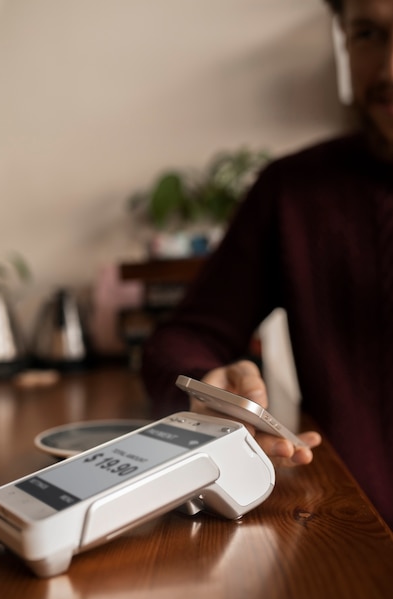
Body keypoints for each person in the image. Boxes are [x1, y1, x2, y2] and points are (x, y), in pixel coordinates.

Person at [141, 0, 393, 529]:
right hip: (353, 544)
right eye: (368, 33)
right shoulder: (294, 192)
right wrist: (210, 387)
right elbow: (184, 338)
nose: (390, 69)